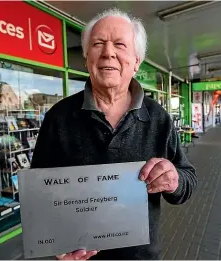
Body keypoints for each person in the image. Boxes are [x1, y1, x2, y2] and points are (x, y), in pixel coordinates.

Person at [31, 8, 197, 260]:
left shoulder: (158, 117)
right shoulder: (59, 117)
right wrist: (55, 247)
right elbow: (39, 192)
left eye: (119, 44)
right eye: (98, 44)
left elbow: (188, 179)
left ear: (136, 61)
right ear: (87, 58)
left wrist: (174, 180)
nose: (108, 52)